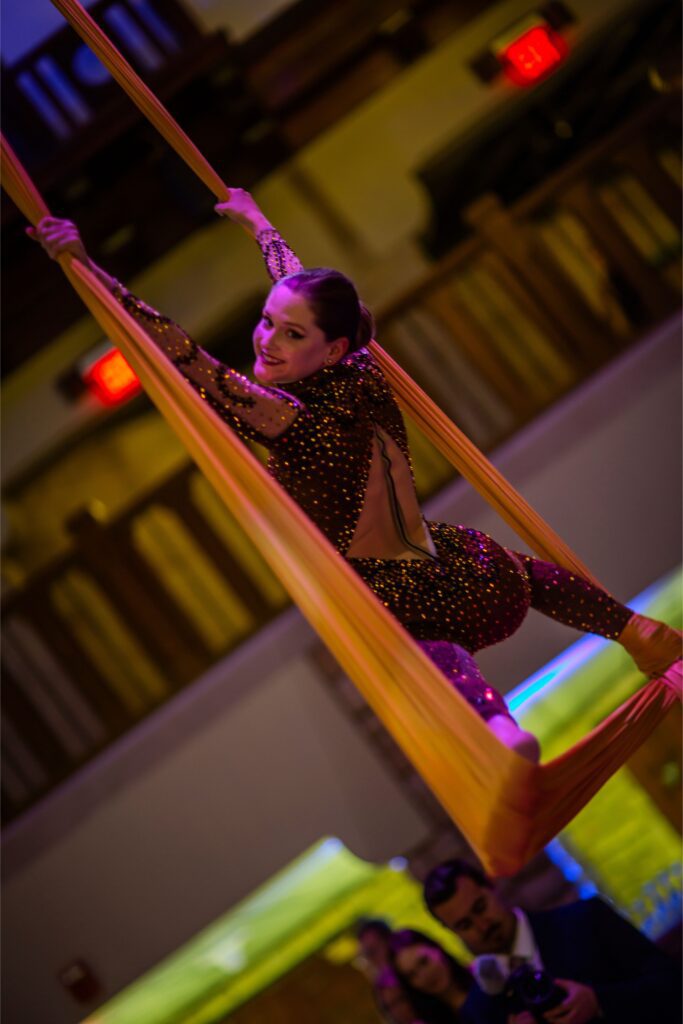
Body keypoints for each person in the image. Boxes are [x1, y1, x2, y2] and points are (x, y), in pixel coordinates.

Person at [28, 195, 681, 760]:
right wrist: (260, 227)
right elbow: (300, 286)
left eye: (290, 335)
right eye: (265, 322)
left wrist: (89, 271)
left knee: (424, 645)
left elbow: (183, 357)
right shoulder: (360, 369)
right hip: (473, 567)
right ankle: (630, 629)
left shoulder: (287, 418)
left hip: (413, 602)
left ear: (329, 349)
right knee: (520, 570)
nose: (265, 342)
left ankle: (498, 727)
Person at [422, 858, 682, 1024]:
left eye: (480, 907)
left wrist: (599, 1001)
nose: (482, 926)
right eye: (464, 925)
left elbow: (672, 984)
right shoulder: (479, 1011)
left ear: (492, 887)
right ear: (451, 932)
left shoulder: (585, 920)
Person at [389, 928, 473, 1023]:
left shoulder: (483, 975)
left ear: (438, 948)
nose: (425, 975)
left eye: (424, 962)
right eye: (412, 975)